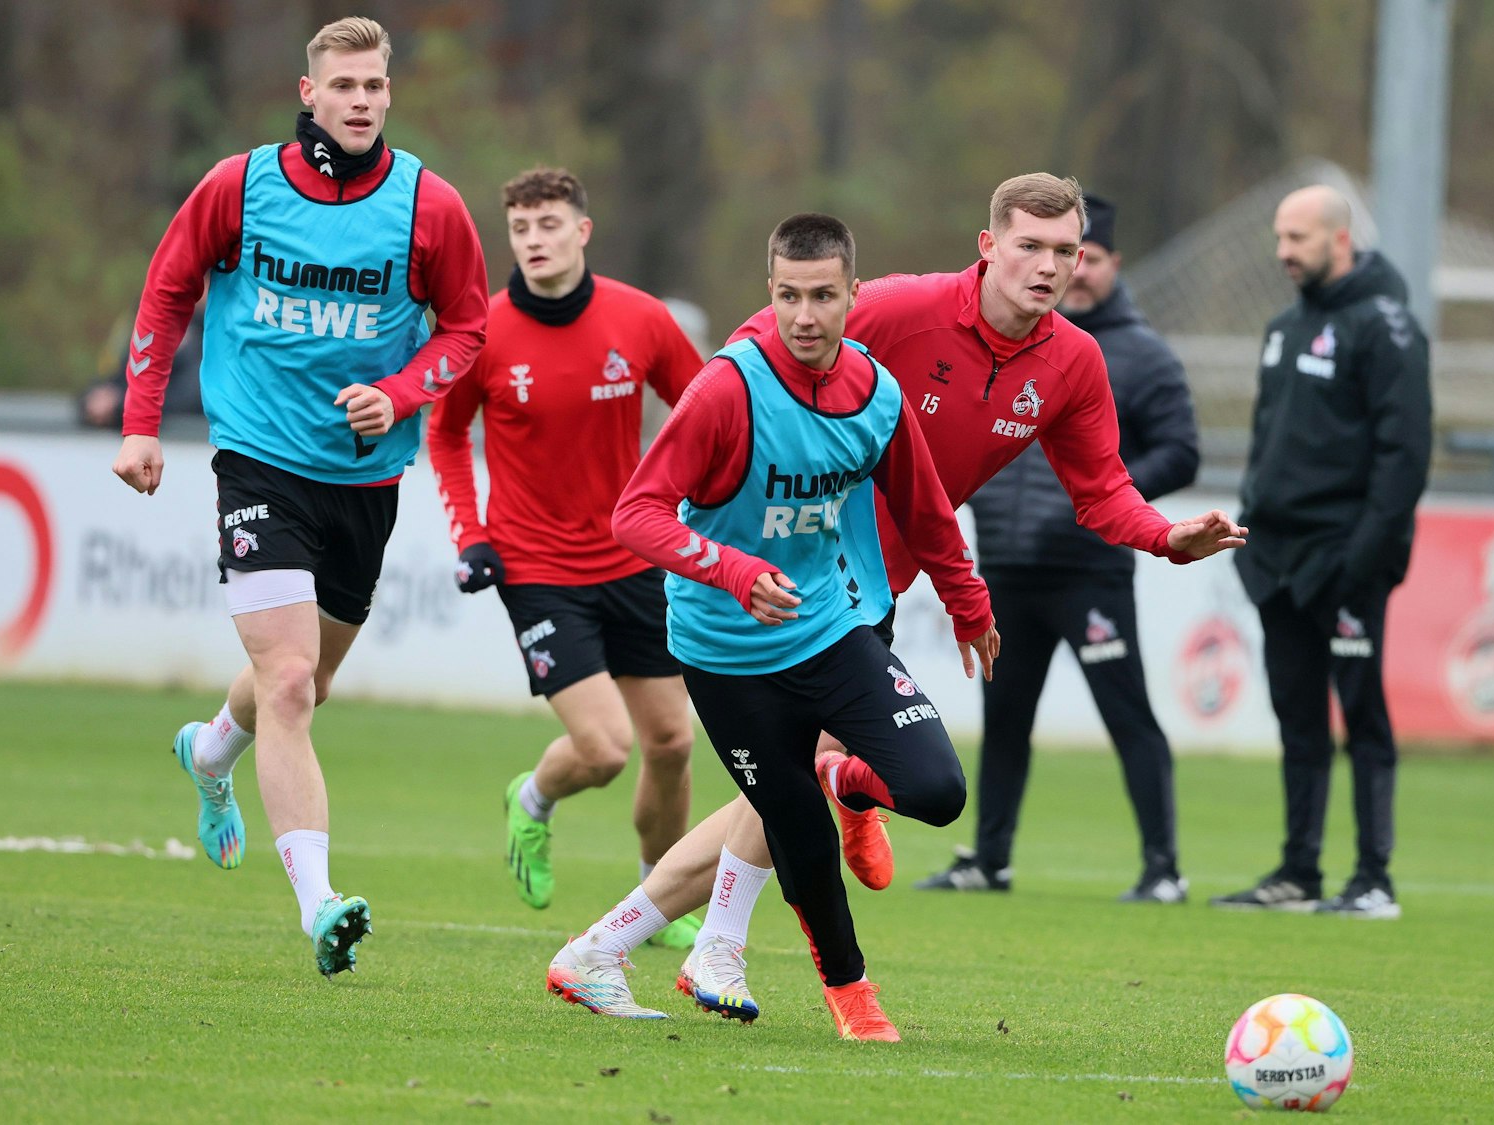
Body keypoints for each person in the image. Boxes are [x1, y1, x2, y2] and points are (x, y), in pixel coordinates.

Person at [549, 174, 1245, 1023]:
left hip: (873, 592)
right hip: (789, 585)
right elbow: (768, 343)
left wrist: (1166, 539)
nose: (1049, 265)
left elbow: (1102, 492)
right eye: (1029, 245)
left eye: (1066, 250)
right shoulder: (897, 309)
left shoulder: (1072, 360)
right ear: (988, 247)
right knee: (784, 790)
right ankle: (698, 943)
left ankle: (645, 944)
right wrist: (734, 460)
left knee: (781, 790)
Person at [544, 213, 998, 1040]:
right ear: (771, 293)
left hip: (827, 631)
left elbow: (927, 512)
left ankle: (847, 778)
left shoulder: (875, 391)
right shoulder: (728, 388)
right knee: (796, 831)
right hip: (724, 656)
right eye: (789, 295)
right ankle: (853, 997)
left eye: (824, 296)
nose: (805, 315)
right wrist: (735, 570)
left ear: (853, 296)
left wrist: (969, 602)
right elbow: (636, 514)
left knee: (938, 789)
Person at [109, 17, 489, 976]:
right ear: (309, 93)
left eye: (376, 85)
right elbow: (167, 291)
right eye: (344, 85)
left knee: (304, 681)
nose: (361, 100)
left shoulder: (429, 207)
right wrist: (141, 424)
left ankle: (208, 754)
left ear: (390, 94)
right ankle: (320, 904)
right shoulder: (239, 187)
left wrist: (399, 395)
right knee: (287, 680)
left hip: (364, 477)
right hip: (257, 459)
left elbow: (469, 330)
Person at [425, 168, 703, 950]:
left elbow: (707, 406)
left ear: (582, 230)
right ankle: (534, 799)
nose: (534, 240)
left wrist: (700, 500)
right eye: (520, 228)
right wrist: (471, 537)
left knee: (674, 744)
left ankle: (658, 901)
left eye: (549, 224)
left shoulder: (641, 320)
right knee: (605, 749)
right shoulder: (481, 330)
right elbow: (444, 436)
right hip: (536, 566)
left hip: (636, 554)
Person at [917, 193, 1201, 902]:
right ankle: (990, 857)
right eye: (1042, 252)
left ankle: (1163, 866)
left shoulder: (1135, 355)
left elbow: (1183, 450)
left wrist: (1106, 500)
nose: (1068, 272)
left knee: (1126, 713)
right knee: (1005, 718)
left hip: (1089, 570)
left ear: (1106, 263)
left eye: (1082, 257)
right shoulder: (999, 338)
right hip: (1010, 565)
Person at [1209, 185, 1431, 920]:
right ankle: (1298, 871)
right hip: (1277, 559)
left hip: (1346, 561)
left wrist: (1362, 558)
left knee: (1361, 717)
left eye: (1297, 238)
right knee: (1297, 718)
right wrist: (1249, 533)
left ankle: (1373, 877)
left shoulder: (1387, 328)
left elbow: (1404, 459)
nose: (1283, 252)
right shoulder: (1283, 327)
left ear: (1339, 240)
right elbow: (1269, 439)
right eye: (1280, 236)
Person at [79, 302, 205, 428]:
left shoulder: (202, 357)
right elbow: (116, 379)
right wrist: (96, 397)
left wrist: (118, 405)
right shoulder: (142, 349)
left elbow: (184, 401)